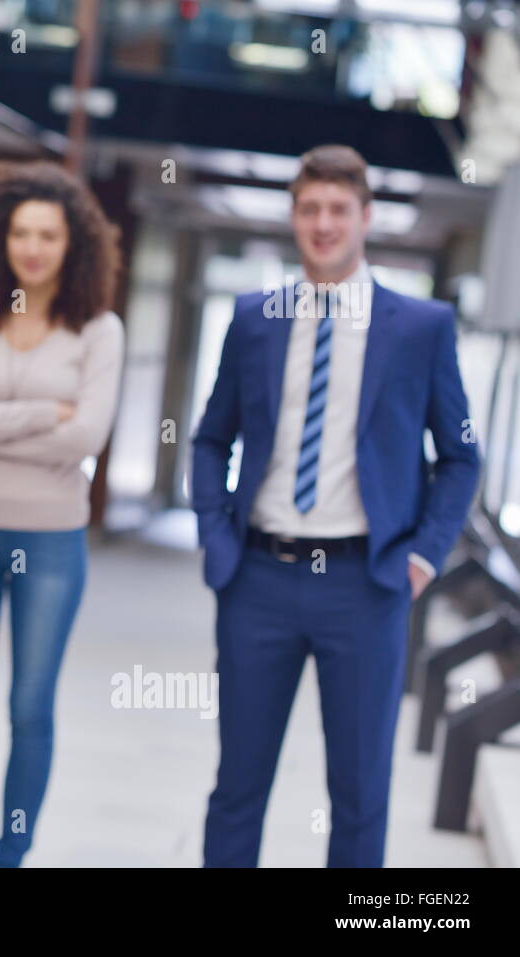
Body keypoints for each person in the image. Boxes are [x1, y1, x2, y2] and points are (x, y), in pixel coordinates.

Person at [193, 144, 480, 867]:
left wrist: (423, 555)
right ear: (294, 216)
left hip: (367, 584)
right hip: (257, 576)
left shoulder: (420, 326)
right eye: (310, 208)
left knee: (360, 792)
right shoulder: (256, 317)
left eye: (338, 209)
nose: (324, 224)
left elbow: (460, 455)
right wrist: (217, 539)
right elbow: (208, 440)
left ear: (365, 217)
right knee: (238, 784)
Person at [0, 160, 124, 867]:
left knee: (31, 706)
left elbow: (88, 436)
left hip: (51, 542)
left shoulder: (99, 330)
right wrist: (45, 413)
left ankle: (11, 856)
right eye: (20, 232)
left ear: (75, 245)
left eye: (48, 234)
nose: (33, 247)